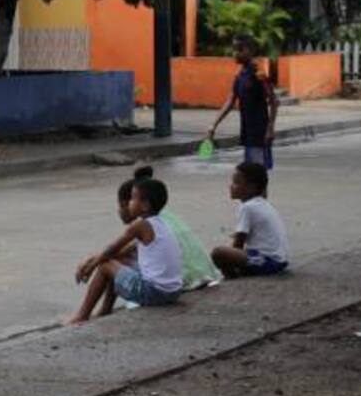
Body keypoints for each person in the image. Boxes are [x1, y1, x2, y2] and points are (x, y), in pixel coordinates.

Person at [68, 178, 183, 324]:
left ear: (145, 205)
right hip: (173, 292)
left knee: (105, 265)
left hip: (154, 293)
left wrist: (92, 267)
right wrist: (92, 259)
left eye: (133, 198)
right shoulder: (160, 223)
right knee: (118, 263)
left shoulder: (140, 225)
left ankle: (81, 315)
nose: (129, 203)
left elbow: (112, 248)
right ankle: (105, 310)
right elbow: (121, 252)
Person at [119, 166, 219, 291]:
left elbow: (118, 251)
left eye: (122, 204)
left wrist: (96, 260)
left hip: (184, 281)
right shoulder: (163, 217)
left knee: (116, 263)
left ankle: (105, 309)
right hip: (202, 276)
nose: (119, 210)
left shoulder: (145, 225)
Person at [207, 34, 279, 169]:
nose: (236, 53)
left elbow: (274, 101)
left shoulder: (259, 74)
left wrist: (270, 129)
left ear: (251, 51)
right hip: (247, 132)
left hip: (259, 133)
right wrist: (214, 124)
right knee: (252, 174)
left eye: (240, 49)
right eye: (234, 49)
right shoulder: (240, 75)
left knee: (257, 174)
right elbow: (230, 101)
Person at [210, 161, 289, 278]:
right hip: (281, 260)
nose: (231, 186)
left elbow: (238, 244)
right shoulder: (262, 203)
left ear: (251, 187)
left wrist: (231, 258)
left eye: (236, 183)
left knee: (218, 253)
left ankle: (231, 277)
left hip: (268, 261)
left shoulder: (247, 207)